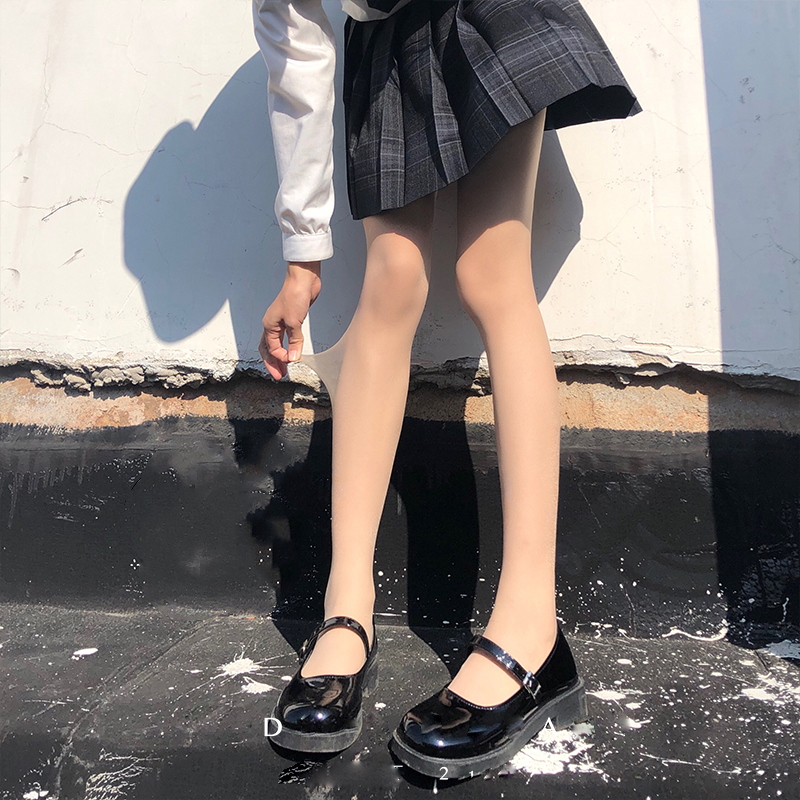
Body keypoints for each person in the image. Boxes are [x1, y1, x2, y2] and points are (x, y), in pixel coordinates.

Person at [252, 0, 641, 779]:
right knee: (392, 280)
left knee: (490, 273)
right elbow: (296, 53)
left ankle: (532, 629)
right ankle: (345, 612)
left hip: (483, 11)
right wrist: (302, 259)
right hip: (386, 42)